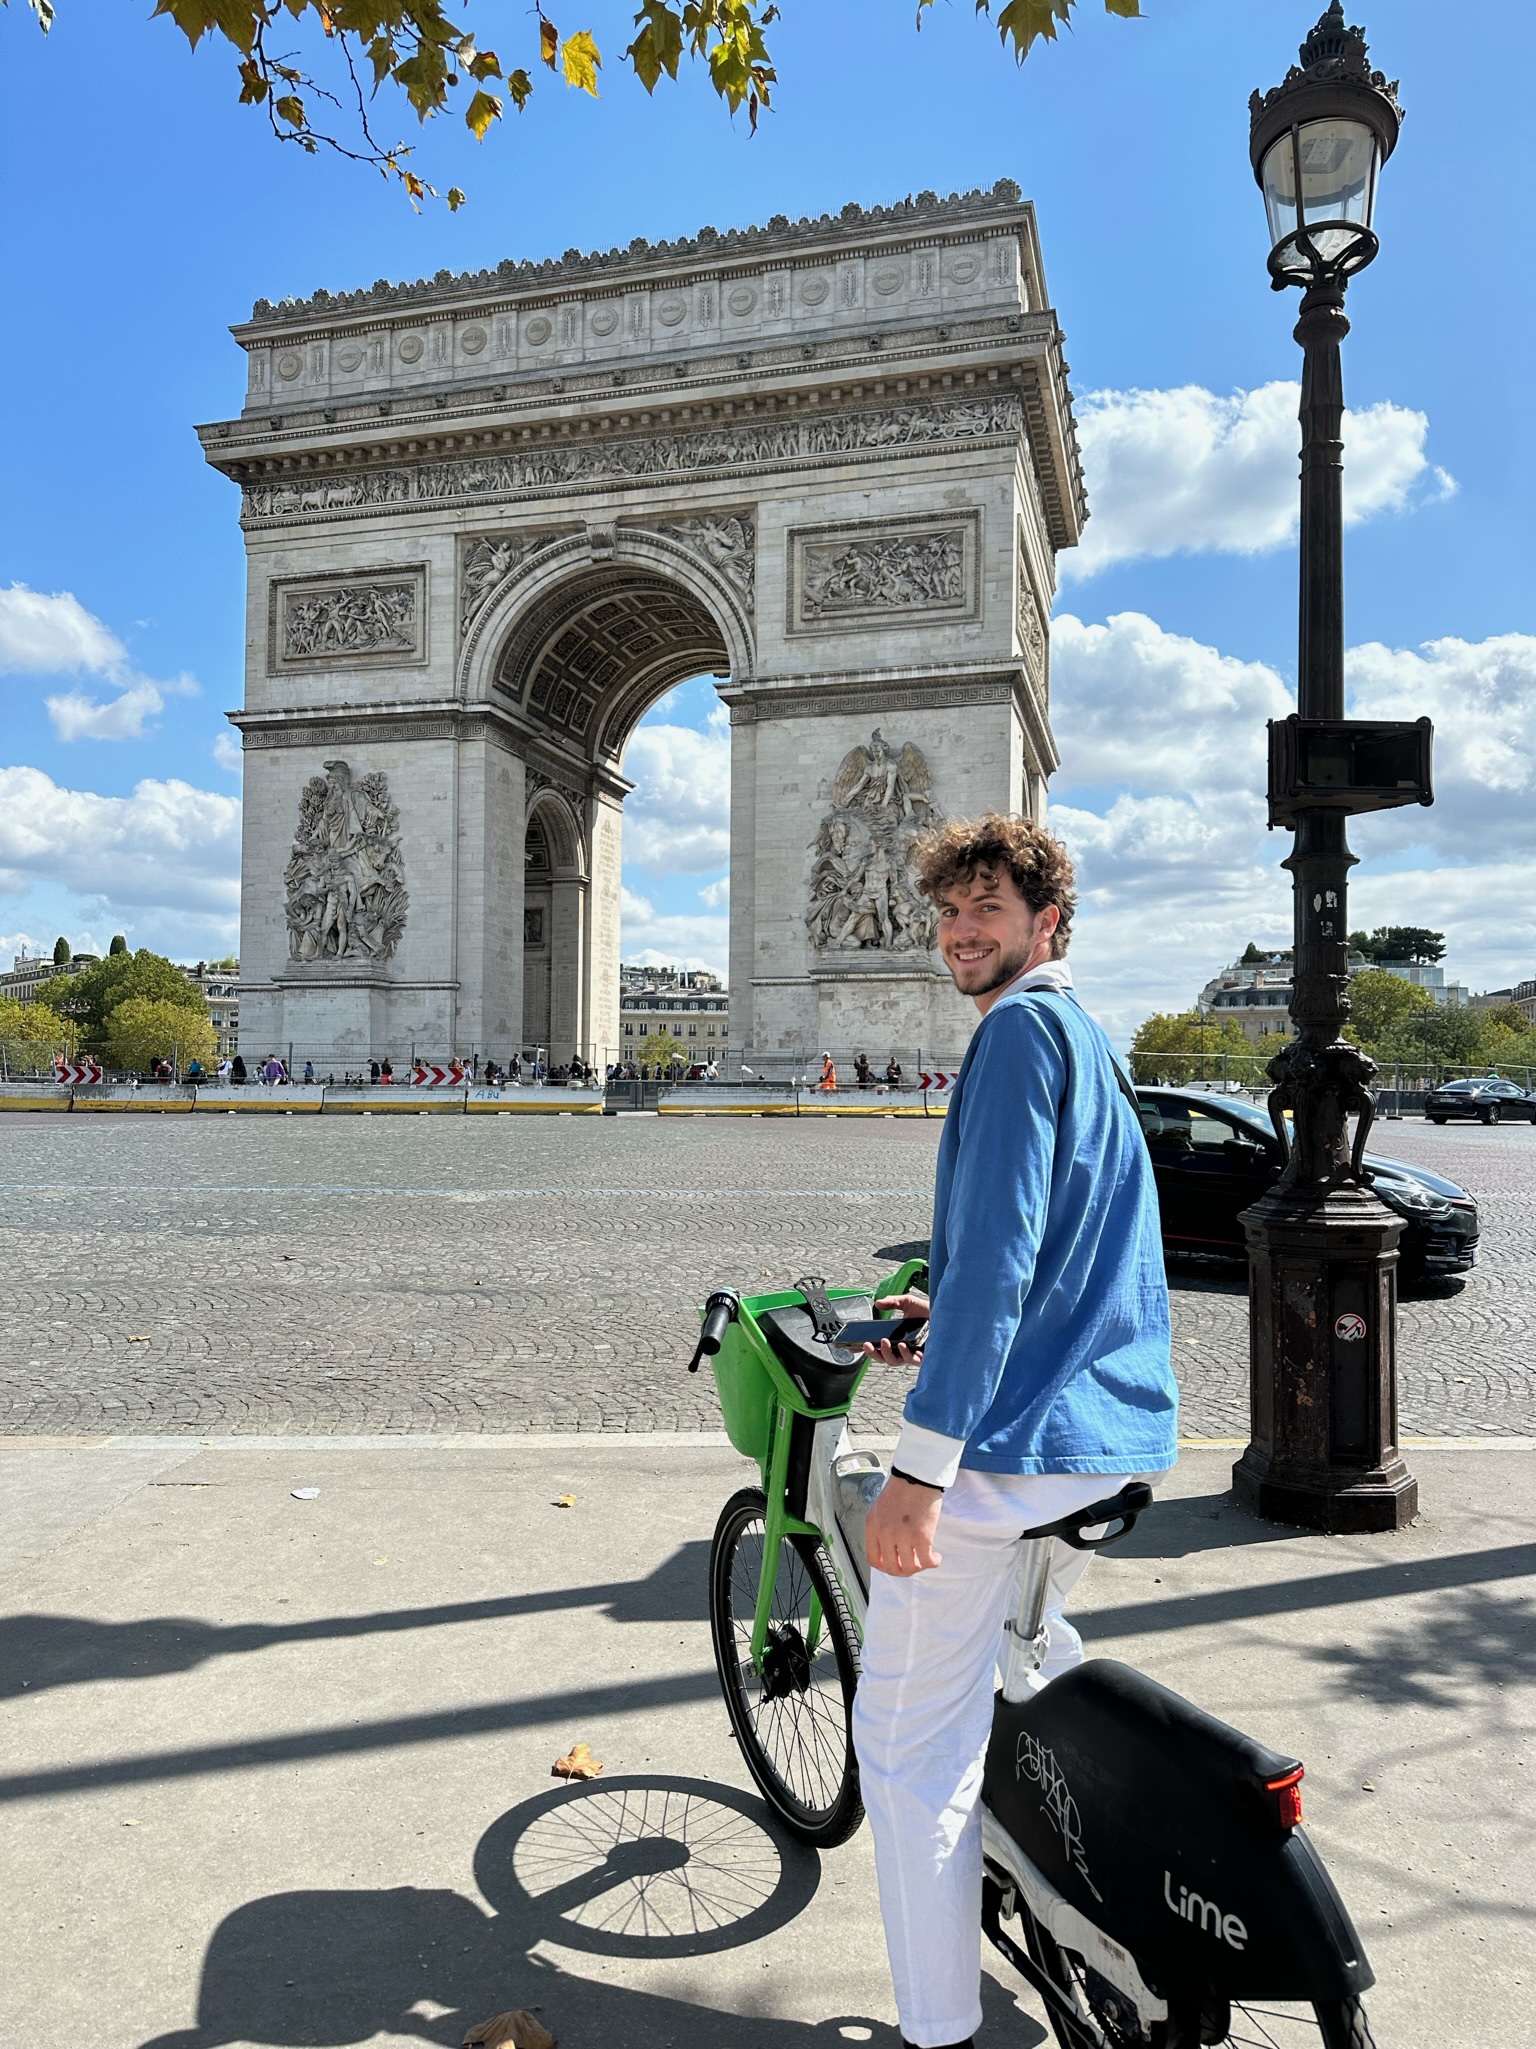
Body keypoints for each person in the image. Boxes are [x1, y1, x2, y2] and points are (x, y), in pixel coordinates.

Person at [850, 812, 1177, 2049]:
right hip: (1112, 1426)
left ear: (1047, 922)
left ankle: (938, 2031)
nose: (958, 933)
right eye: (946, 912)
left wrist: (919, 1472)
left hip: (1018, 1446)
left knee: (904, 1745)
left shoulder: (1014, 1037)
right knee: (1022, 1675)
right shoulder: (1088, 1039)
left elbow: (995, 1265)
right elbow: (1051, 1252)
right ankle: (1097, 1893)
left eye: (985, 909)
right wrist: (934, 1304)